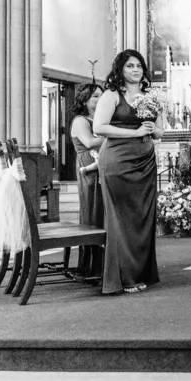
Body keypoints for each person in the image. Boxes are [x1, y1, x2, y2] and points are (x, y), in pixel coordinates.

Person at [93, 49, 161, 296]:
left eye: (139, 66)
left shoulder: (150, 97)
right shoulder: (112, 95)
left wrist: (153, 128)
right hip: (118, 162)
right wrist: (134, 133)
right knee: (122, 219)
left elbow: (160, 131)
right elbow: (99, 127)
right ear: (120, 69)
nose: (136, 70)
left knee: (142, 217)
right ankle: (124, 276)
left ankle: (141, 272)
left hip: (145, 162)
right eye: (130, 66)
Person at [70, 84, 105, 276]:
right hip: (89, 167)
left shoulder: (100, 119)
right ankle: (91, 266)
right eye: (95, 96)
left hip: (103, 164)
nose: (100, 99)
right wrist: (114, 133)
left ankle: (103, 265)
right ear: (84, 100)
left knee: (103, 214)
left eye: (102, 95)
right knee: (93, 212)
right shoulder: (80, 120)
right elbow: (90, 142)